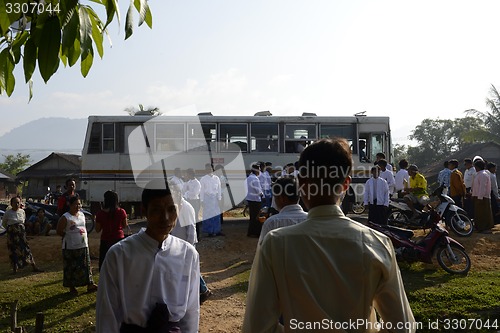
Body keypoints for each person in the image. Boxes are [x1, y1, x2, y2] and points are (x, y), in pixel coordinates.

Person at [243, 138, 415, 332]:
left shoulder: (275, 244)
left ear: (301, 184)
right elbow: (402, 326)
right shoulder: (378, 243)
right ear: (346, 184)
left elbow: (258, 327)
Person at [96, 182, 200, 332]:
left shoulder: (188, 254)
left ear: (180, 209)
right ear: (144, 210)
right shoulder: (119, 255)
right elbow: (107, 315)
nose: (165, 218)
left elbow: (191, 312)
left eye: (172, 209)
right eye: (157, 210)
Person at [170, 186, 212, 304]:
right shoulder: (176, 206)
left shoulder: (186, 207)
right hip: (177, 243)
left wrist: (189, 246)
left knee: (190, 269)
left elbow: (191, 229)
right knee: (186, 269)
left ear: (178, 194)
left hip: (186, 244)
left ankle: (203, 290)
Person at [56, 196, 98, 295]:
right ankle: (72, 287)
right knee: (71, 266)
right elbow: (59, 230)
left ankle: (90, 284)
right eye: (76, 204)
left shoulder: (82, 215)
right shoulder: (65, 217)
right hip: (70, 246)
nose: (78, 206)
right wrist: (69, 236)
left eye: (79, 204)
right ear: (70, 205)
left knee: (86, 266)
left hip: (83, 245)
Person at [257, 177, 307, 247]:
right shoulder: (311, 219)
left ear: (281, 198)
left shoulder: (271, 223)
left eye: (275, 197)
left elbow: (262, 250)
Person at [3, 197, 43, 274]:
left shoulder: (22, 212)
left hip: (21, 234)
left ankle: (33, 266)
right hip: (12, 235)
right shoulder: (7, 213)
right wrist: (12, 229)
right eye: (15, 203)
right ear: (11, 204)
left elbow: (23, 221)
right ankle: (15, 269)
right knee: (13, 251)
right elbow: (4, 224)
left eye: (18, 202)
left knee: (26, 249)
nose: (17, 204)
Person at [95, 190, 128, 270]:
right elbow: (124, 225)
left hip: (106, 239)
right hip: (119, 238)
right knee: (119, 262)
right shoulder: (121, 211)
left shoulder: (100, 213)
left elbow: (97, 229)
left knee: (105, 262)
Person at [200, 163, 223, 237]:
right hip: (207, 199)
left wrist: (219, 198)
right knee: (208, 215)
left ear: (212, 169)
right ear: (205, 170)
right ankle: (210, 231)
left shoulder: (216, 178)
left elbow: (219, 189)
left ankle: (217, 230)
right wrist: (202, 200)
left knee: (216, 214)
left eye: (210, 168)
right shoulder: (203, 179)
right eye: (207, 169)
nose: (209, 170)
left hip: (215, 198)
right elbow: (202, 191)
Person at [472, 159, 494, 233]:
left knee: (484, 213)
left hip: (482, 197)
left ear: (478, 167)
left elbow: (482, 187)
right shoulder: (478, 174)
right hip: (478, 196)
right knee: (478, 213)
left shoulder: (483, 175)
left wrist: (480, 197)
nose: (475, 168)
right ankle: (479, 227)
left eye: (475, 167)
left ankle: (485, 228)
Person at [183, 168, 202, 241]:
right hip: (189, 201)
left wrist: (187, 193)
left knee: (195, 218)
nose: (186, 175)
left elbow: (195, 193)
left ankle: (197, 235)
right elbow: (183, 190)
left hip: (195, 201)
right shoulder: (188, 182)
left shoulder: (197, 183)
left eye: (187, 174)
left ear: (191, 174)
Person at [245, 164, 263, 238]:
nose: (260, 171)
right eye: (259, 169)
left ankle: (250, 231)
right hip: (256, 199)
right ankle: (256, 232)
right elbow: (258, 190)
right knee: (257, 216)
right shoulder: (255, 178)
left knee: (252, 216)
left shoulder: (249, 178)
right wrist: (262, 195)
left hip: (250, 198)